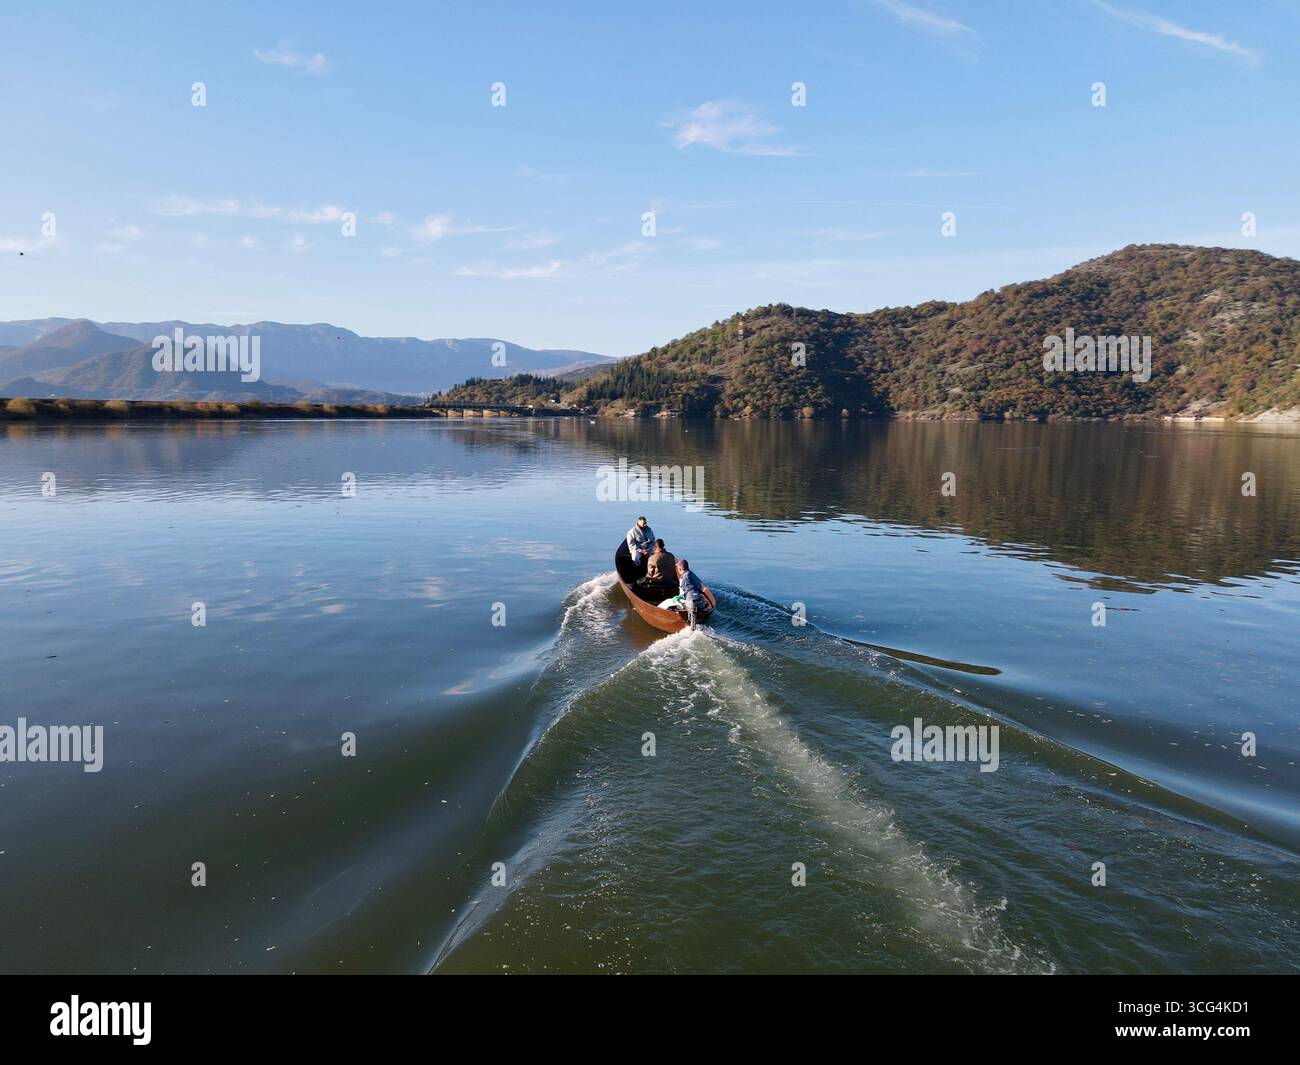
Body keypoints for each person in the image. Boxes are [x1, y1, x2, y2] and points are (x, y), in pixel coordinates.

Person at [658, 558, 707, 624]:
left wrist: (679, 597)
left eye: (677, 568)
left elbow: (687, 592)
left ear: (680, 569)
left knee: (666, 602)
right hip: (698, 601)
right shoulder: (693, 575)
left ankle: (658, 615)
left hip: (686, 600)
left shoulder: (684, 578)